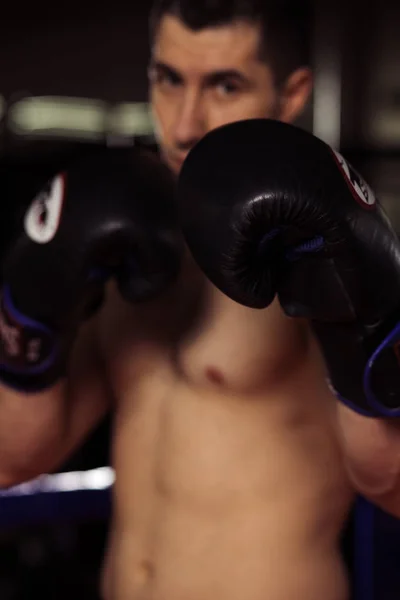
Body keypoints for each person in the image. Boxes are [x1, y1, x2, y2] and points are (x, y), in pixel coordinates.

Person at [0, 2, 360, 600]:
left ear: (292, 94)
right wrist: (28, 312)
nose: (186, 123)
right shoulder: (129, 238)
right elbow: (15, 458)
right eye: (169, 79)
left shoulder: (325, 255)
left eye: (225, 85)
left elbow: (392, 482)